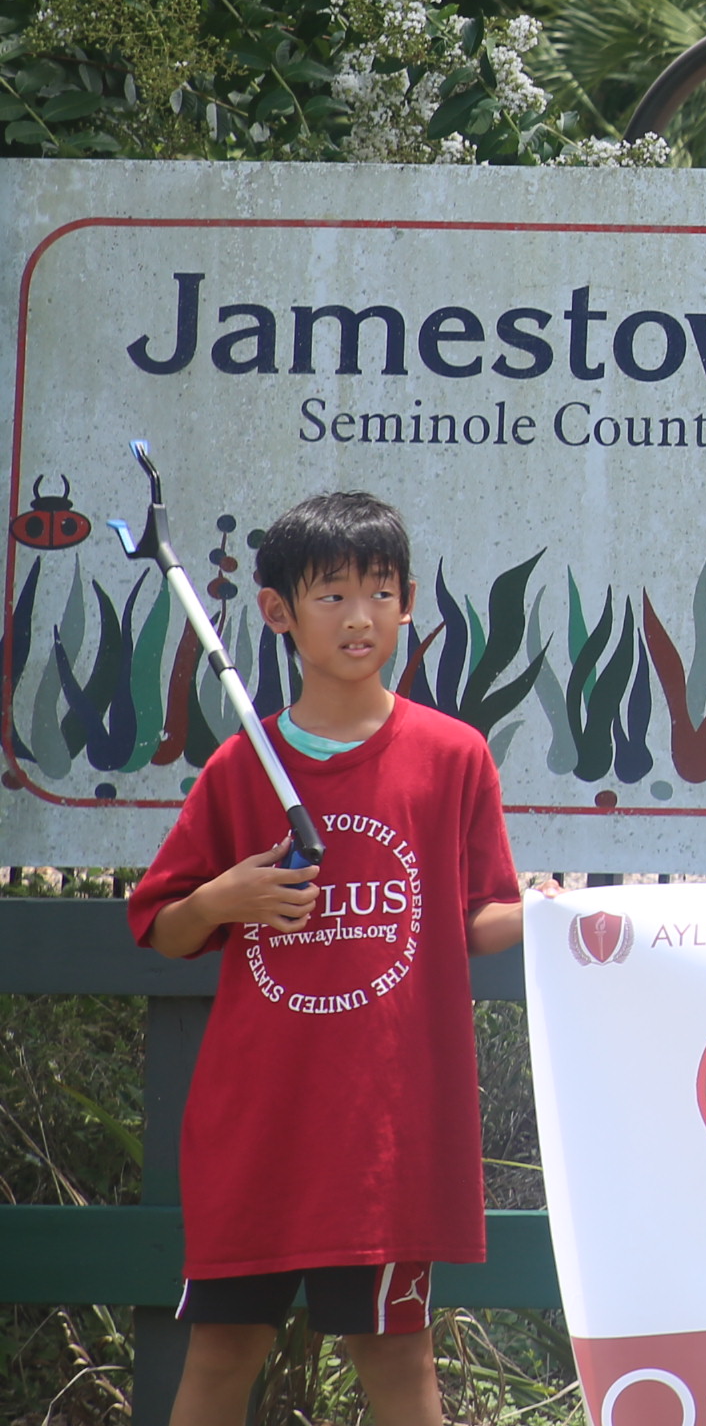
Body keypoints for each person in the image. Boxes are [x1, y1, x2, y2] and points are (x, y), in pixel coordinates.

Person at [130, 492, 526, 1426]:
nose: (360, 617)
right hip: (258, 1126)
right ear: (277, 612)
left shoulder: (453, 756)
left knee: (396, 1359)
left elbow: (479, 919)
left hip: (385, 1137)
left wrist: (557, 917)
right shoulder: (242, 767)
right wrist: (228, 897)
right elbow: (161, 925)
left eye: (380, 593)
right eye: (333, 595)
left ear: (410, 601)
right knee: (222, 1354)